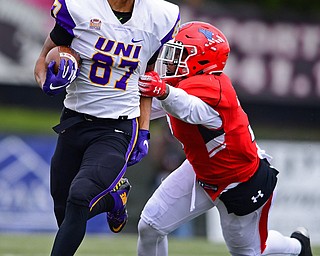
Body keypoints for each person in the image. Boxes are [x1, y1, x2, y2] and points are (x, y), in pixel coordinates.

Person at [137, 21, 313, 256]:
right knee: (150, 226)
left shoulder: (213, 91)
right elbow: (151, 103)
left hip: (237, 180)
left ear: (199, 60)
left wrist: (164, 91)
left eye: (179, 54)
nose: (170, 61)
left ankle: (297, 247)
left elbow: (190, 108)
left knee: (249, 252)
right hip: (201, 170)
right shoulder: (181, 84)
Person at [33, 0, 180, 255]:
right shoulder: (79, 7)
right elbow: (43, 59)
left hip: (117, 128)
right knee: (64, 206)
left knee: (79, 197)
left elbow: (147, 80)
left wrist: (143, 130)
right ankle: (115, 198)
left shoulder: (159, 16)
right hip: (74, 121)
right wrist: (47, 81)